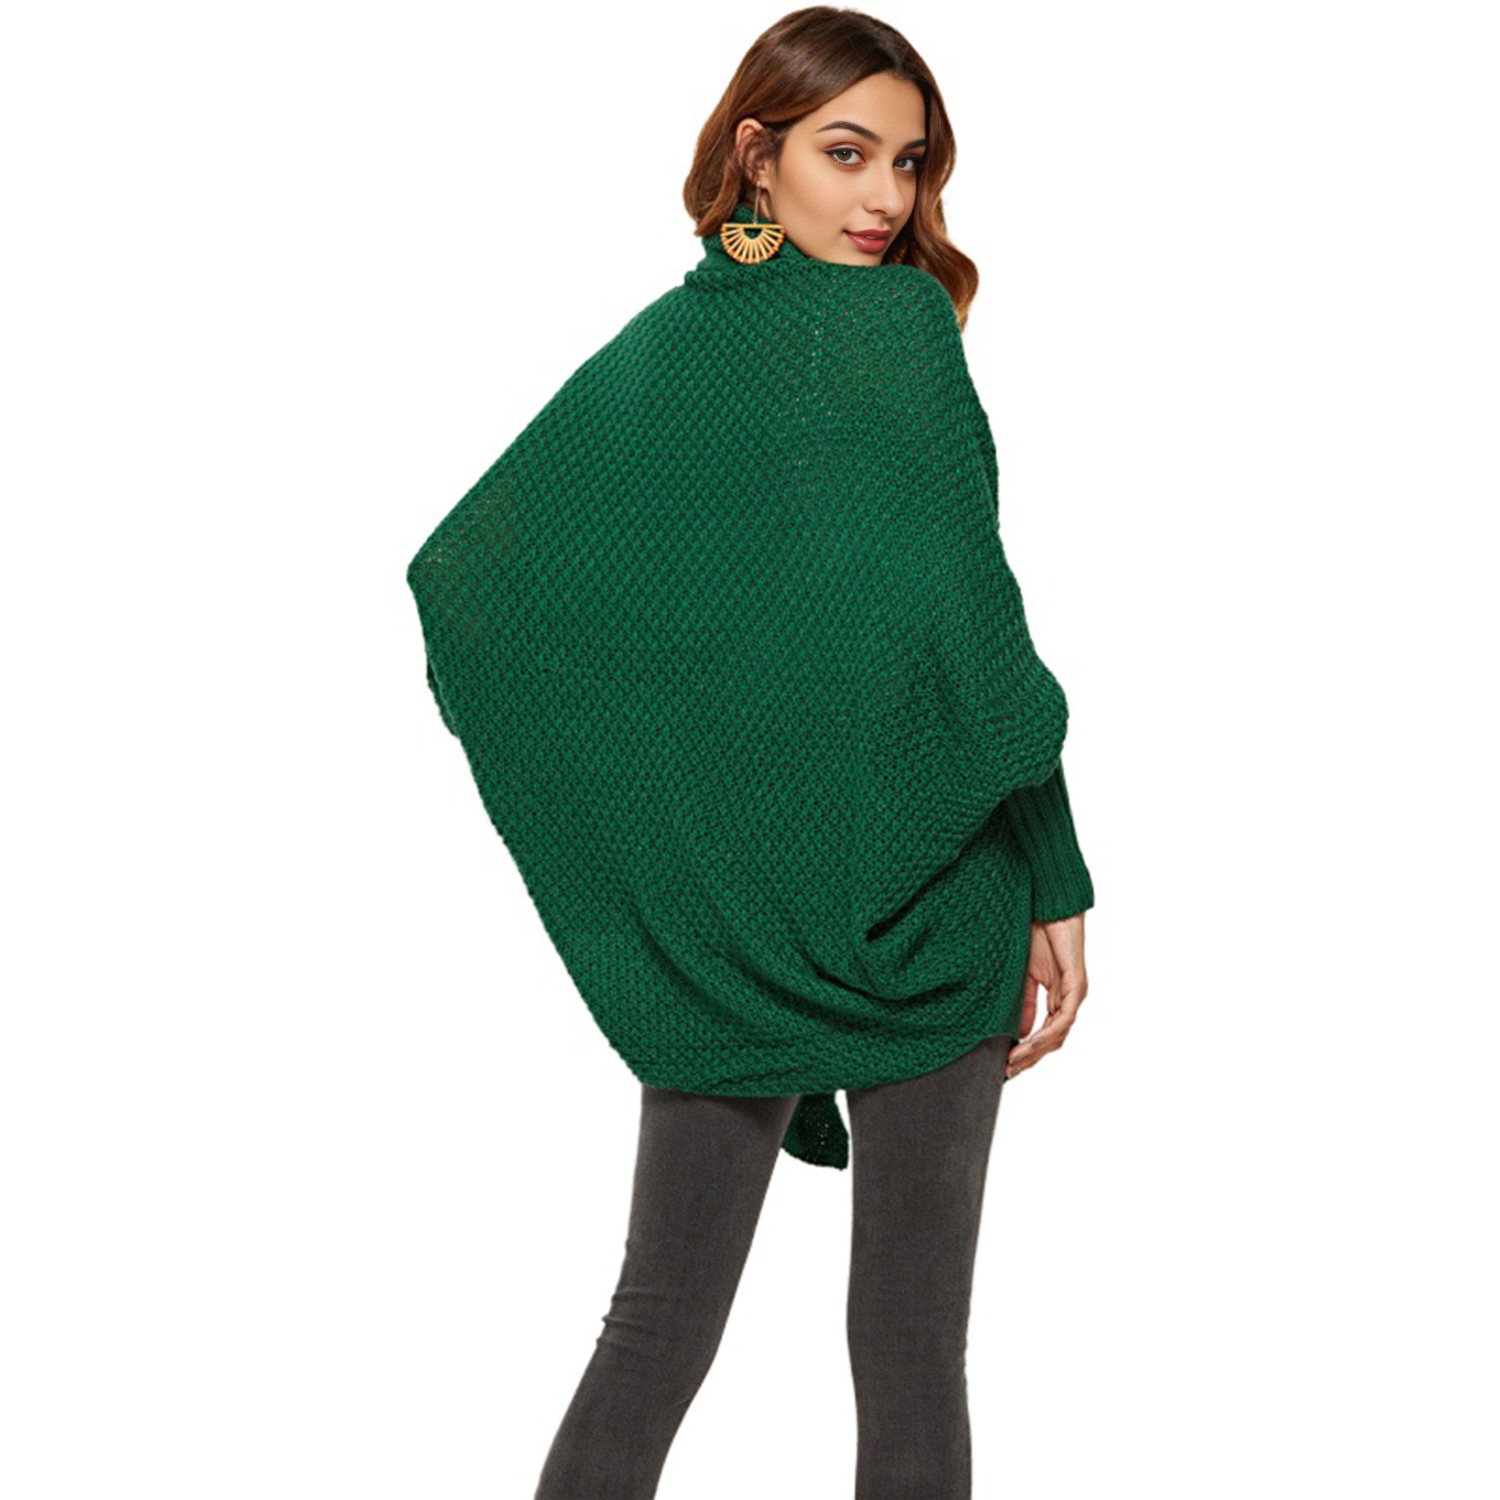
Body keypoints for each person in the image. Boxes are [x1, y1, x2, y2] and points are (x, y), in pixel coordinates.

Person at [406, 10, 1094, 1497]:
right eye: (849, 154)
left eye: (909, 163)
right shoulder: (765, 351)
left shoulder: (835, 337)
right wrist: (1055, 876)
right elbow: (477, 582)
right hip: (789, 917)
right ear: (756, 154)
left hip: (886, 908)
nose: (885, 199)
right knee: (837, 1343)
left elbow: (968, 628)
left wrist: (1046, 869)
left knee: (724, 1332)